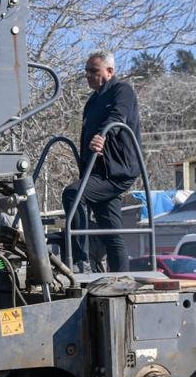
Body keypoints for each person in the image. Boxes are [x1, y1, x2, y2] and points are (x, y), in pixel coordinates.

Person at [60, 52, 142, 274]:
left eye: (93, 71)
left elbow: (118, 117)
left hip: (116, 171)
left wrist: (103, 135)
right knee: (111, 233)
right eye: (86, 71)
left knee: (73, 194)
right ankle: (120, 277)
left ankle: (80, 260)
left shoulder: (122, 91)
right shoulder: (92, 101)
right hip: (97, 173)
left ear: (109, 72)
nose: (88, 75)